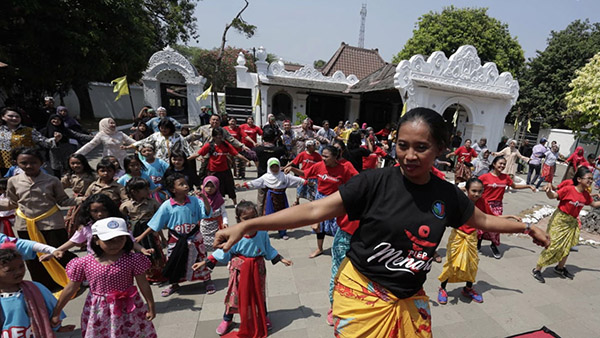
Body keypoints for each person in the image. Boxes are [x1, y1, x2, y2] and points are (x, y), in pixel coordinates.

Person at [214, 108, 550, 338]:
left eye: (422, 147)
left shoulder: (448, 196)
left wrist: (524, 227)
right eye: (403, 146)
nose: (409, 156)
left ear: (440, 149)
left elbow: (483, 219)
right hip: (361, 296)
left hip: (409, 302)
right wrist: (249, 225)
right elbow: (316, 211)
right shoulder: (374, 182)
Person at [192, 201, 293, 336]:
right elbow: (224, 251)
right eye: (246, 219)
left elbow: (268, 249)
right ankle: (227, 319)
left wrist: (280, 258)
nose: (250, 222)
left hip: (258, 269)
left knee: (259, 294)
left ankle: (263, 316)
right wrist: (205, 262)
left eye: (253, 217)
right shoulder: (236, 234)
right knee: (234, 295)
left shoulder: (262, 232)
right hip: (239, 271)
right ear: (238, 219)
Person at [52, 217, 157, 338]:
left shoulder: (133, 259)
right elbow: (71, 288)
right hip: (98, 310)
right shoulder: (83, 263)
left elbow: (143, 283)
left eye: (120, 239)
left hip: (129, 307)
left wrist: (151, 306)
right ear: (96, 240)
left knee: (132, 332)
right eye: (109, 240)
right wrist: (57, 312)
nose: (115, 244)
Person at [0, 147, 80, 292]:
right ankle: (44, 286)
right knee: (33, 258)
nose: (29, 166)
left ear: (42, 163)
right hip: (25, 224)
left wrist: (81, 200)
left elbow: (62, 200)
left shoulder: (52, 180)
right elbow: (13, 203)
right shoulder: (13, 181)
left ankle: (74, 279)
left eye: (33, 162)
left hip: (51, 223)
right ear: (16, 163)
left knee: (60, 252)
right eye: (24, 163)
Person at [437, 178, 521, 304]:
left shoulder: (482, 202)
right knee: (452, 263)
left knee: (472, 264)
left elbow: (492, 217)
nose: (476, 194)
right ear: (466, 190)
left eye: (480, 191)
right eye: (474, 191)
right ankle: (442, 288)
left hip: (472, 237)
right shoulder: (459, 201)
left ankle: (468, 288)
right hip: (458, 237)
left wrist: (510, 217)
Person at [138, 173, 215, 297]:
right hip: (176, 238)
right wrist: (141, 236)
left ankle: (207, 280)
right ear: (173, 189)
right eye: (182, 184)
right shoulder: (167, 205)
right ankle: (174, 284)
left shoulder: (195, 201)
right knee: (174, 260)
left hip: (194, 236)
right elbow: (155, 223)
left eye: (186, 183)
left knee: (200, 259)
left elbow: (206, 213)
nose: (186, 186)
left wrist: (205, 199)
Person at [285, 145, 358, 258]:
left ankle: (339, 249)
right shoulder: (319, 166)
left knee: (337, 227)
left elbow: (353, 183)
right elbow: (305, 174)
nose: (323, 158)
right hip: (320, 199)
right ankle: (319, 248)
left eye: (326, 156)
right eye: (322, 155)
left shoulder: (344, 169)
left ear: (335, 157)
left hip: (335, 200)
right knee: (319, 227)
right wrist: (293, 169)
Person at [532, 167, 600, 283]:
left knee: (568, 246)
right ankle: (537, 269)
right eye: (588, 179)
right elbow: (553, 196)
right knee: (553, 245)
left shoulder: (586, 195)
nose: (590, 181)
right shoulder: (568, 189)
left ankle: (560, 268)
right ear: (579, 179)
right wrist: (548, 190)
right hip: (560, 220)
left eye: (591, 179)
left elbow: (594, 204)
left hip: (572, 223)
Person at [40, 193, 148, 259]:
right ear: (88, 211)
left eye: (103, 210)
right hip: (96, 262)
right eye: (95, 211)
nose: (100, 214)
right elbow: (74, 241)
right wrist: (55, 251)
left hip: (119, 260)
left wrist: (142, 249)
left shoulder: (117, 224)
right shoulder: (86, 227)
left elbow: (130, 240)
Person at [0, 243, 74, 336]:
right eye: (10, 270)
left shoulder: (35, 288)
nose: (19, 272)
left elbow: (53, 309)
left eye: (21, 266)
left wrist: (57, 326)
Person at [477, 156, 535, 258]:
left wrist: (528, 186)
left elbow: (515, 186)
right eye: (500, 163)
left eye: (504, 164)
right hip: (484, 205)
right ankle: (478, 242)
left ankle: (494, 245)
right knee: (481, 225)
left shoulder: (506, 177)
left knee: (496, 226)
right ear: (494, 164)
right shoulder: (484, 177)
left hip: (497, 206)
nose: (502, 166)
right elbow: (474, 187)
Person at [238, 158, 305, 240]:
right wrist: (243, 185)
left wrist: (305, 181)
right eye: (272, 167)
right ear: (269, 167)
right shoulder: (266, 177)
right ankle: (264, 232)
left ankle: (282, 232)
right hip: (270, 198)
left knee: (283, 215)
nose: (275, 169)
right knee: (268, 215)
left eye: (276, 166)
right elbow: (256, 182)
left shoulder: (284, 176)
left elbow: (298, 180)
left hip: (282, 197)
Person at [122, 179, 166, 283]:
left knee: (156, 252)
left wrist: (163, 237)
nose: (148, 191)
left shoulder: (153, 203)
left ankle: (158, 275)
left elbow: (158, 222)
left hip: (151, 233)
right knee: (139, 253)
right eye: (145, 189)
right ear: (134, 191)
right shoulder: (126, 205)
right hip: (136, 233)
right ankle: (146, 275)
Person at [192, 127, 249, 206]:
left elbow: (236, 154)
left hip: (225, 170)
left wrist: (247, 160)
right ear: (213, 136)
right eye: (217, 135)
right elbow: (198, 154)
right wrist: (186, 159)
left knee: (230, 187)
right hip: (212, 171)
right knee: (212, 188)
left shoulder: (226, 145)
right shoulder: (209, 145)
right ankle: (210, 203)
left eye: (220, 135)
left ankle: (235, 204)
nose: (219, 137)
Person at [0, 107, 60, 176]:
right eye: (10, 116)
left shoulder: (29, 131)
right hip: (4, 164)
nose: (14, 118)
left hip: (25, 164)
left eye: (17, 117)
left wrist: (55, 139)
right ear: (3, 117)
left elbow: (44, 141)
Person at [129, 118, 193, 163]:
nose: (164, 130)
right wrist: (130, 146)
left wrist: (193, 156)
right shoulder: (156, 135)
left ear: (170, 128)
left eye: (166, 128)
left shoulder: (178, 136)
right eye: (162, 128)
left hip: (175, 162)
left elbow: (186, 146)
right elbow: (144, 141)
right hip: (160, 162)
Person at [61, 154, 96, 236]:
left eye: (78, 163)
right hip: (75, 202)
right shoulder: (69, 176)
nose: (75, 165)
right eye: (72, 163)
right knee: (73, 222)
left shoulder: (92, 175)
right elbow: (59, 186)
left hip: (89, 201)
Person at [286, 139, 321, 206]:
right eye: (313, 146)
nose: (314, 147)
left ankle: (313, 203)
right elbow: (293, 161)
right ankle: (297, 201)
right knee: (299, 190)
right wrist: (285, 167)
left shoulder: (317, 156)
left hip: (313, 176)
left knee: (312, 192)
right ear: (308, 146)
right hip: (303, 175)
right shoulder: (302, 154)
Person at [199, 176, 228, 252]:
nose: (209, 188)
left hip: (216, 226)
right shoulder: (199, 199)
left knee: (217, 243)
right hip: (204, 226)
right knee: (202, 244)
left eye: (212, 186)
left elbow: (223, 212)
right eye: (207, 186)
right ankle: (204, 259)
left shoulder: (219, 199)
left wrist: (225, 222)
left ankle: (215, 258)